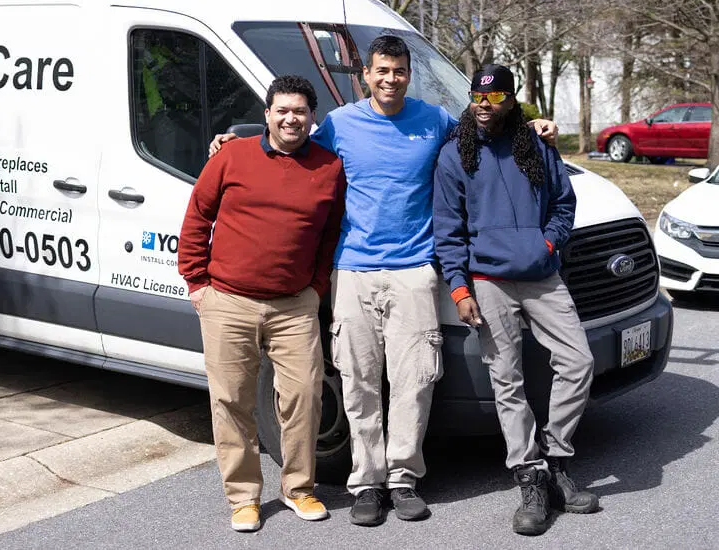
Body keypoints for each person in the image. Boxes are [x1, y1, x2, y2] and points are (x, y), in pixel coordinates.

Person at [209, 36, 558, 526]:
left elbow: (485, 129)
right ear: (366, 76)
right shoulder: (340, 125)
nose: (390, 79)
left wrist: (533, 125)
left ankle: (403, 477)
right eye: (381, 71)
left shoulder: (433, 121)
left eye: (398, 71)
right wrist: (234, 140)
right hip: (352, 269)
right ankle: (367, 483)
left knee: (414, 381)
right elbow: (290, 146)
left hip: (415, 270)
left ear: (407, 75)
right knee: (358, 383)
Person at [433, 64, 599, 536]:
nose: (484, 106)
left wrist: (547, 245)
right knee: (507, 380)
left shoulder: (536, 146)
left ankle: (556, 458)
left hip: (542, 274)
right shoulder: (454, 155)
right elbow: (447, 230)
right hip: (487, 280)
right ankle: (529, 477)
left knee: (578, 361)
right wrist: (460, 288)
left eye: (495, 97)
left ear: (511, 99)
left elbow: (564, 205)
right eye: (477, 97)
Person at [179, 75, 346, 533]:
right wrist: (196, 282)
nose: (291, 118)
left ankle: (298, 488)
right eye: (283, 110)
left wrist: (315, 289)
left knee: (304, 397)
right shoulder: (232, 155)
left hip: (295, 306)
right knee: (231, 401)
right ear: (268, 114)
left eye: (300, 111)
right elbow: (198, 216)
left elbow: (330, 234)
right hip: (228, 301)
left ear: (313, 119)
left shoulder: (329, 167)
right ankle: (243, 497)